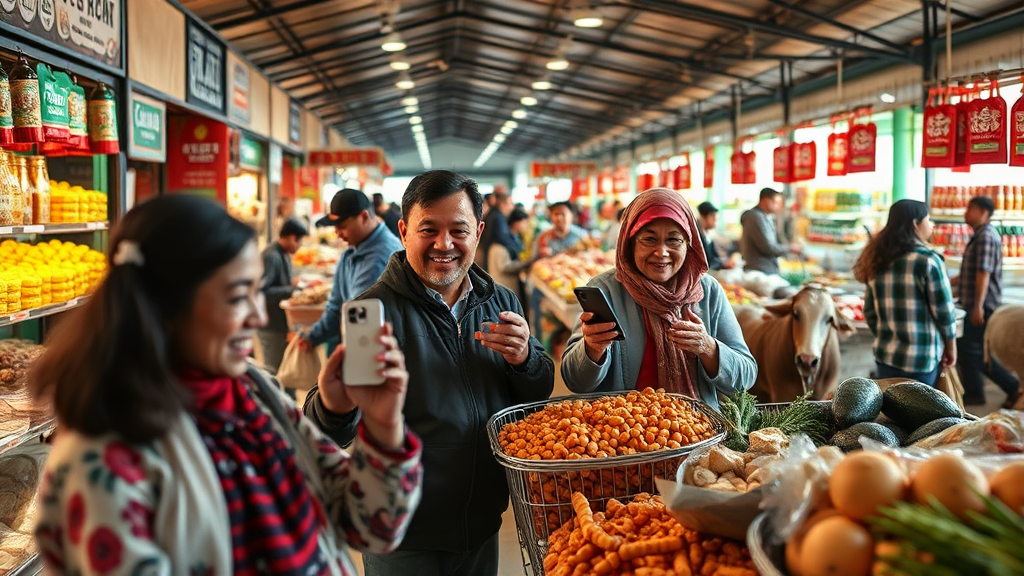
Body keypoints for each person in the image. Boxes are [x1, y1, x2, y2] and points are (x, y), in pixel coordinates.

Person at [29, 195, 422, 575]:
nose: (255, 316)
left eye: (254, 292)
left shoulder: (254, 393)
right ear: (166, 306)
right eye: (237, 297)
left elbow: (371, 526)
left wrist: (384, 424)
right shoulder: (105, 458)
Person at [302, 170, 554, 576]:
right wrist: (336, 403)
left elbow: (537, 391)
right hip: (402, 531)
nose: (444, 244)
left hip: (482, 521)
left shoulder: (501, 302)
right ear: (403, 231)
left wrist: (525, 359)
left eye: (459, 230)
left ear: (479, 232)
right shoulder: (375, 312)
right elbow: (327, 433)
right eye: (428, 229)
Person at [561, 188, 757, 409]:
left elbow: (746, 377)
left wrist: (708, 348)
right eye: (649, 239)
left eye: (674, 240)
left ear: (688, 244)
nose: (662, 252)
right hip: (622, 434)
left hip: (696, 431)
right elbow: (574, 380)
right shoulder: (606, 291)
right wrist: (592, 349)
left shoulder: (708, 292)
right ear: (630, 242)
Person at [853, 199, 957, 386]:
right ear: (915, 225)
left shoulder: (877, 258)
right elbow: (944, 312)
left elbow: (869, 311)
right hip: (921, 359)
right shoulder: (929, 261)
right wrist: (951, 347)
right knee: (920, 412)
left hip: (886, 356)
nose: (931, 225)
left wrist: (888, 335)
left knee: (889, 411)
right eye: (928, 220)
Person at [298, 189, 403, 350]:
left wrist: (312, 337)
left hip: (376, 353)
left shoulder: (380, 257)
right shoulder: (351, 251)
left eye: (342, 226)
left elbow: (359, 317)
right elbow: (335, 307)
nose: (337, 233)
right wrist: (310, 337)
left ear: (364, 217)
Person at [951, 196, 1021, 407]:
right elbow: (971, 273)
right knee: (971, 349)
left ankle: (1011, 388)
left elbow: (983, 273)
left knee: (975, 351)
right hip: (973, 303)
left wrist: (978, 306)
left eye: (970, 208)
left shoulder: (986, 237)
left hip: (980, 305)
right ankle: (977, 392)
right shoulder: (979, 235)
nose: (965, 212)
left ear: (983, 212)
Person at [258, 218, 308, 374]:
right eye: (299, 242)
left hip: (280, 323)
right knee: (274, 372)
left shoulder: (283, 254)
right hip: (270, 325)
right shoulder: (271, 256)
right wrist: (293, 289)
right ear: (292, 237)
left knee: (285, 372)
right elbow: (263, 292)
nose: (299, 247)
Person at [740, 187, 802, 274]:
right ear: (766, 201)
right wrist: (790, 247)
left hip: (767, 269)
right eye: (777, 203)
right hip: (759, 271)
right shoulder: (755, 217)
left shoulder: (766, 217)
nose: (779, 206)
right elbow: (768, 248)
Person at [488, 207, 533, 306]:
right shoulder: (501, 245)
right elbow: (504, 266)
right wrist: (525, 263)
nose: (526, 226)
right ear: (516, 223)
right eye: (524, 222)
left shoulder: (513, 239)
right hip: (504, 287)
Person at [476, 189, 514, 268]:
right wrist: (515, 249)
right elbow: (502, 237)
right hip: (492, 256)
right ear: (502, 204)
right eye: (510, 203)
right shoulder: (498, 217)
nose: (512, 207)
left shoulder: (493, 214)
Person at [696, 201, 735, 271]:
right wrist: (722, 264)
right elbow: (705, 262)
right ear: (704, 217)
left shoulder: (706, 234)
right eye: (713, 216)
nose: (716, 219)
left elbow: (714, 256)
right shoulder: (698, 236)